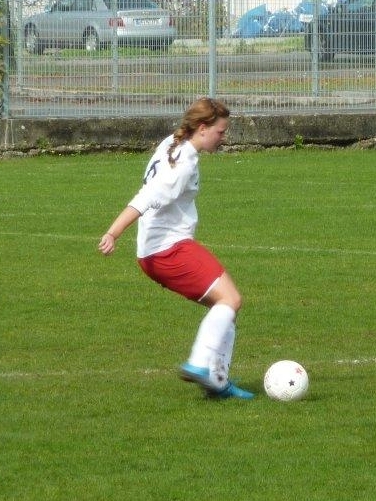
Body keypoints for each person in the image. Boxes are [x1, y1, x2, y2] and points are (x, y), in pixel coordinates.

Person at [98, 97, 254, 400]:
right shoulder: (181, 165)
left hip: (160, 249)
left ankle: (218, 383)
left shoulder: (174, 142)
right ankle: (199, 363)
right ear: (202, 127)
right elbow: (146, 197)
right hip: (167, 249)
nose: (224, 138)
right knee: (231, 299)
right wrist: (113, 232)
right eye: (221, 132)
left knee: (223, 308)